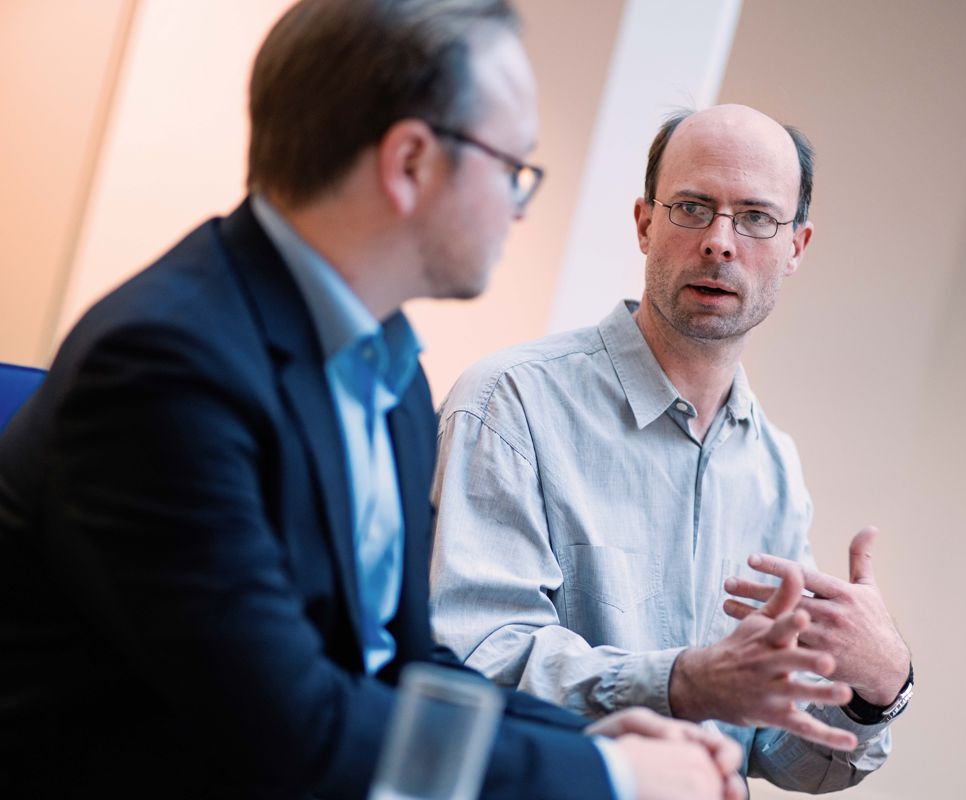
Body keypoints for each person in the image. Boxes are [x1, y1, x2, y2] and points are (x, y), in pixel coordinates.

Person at [0, 2, 748, 798]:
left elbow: (401, 664)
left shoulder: (386, 371)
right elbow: (294, 732)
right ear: (410, 164)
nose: (518, 207)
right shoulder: (165, 369)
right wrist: (610, 777)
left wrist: (591, 735)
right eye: (512, 169)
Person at [430, 104, 914, 791]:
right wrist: (682, 683)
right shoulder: (509, 404)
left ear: (797, 247)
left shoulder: (774, 470)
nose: (720, 241)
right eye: (692, 207)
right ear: (644, 223)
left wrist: (878, 684)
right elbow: (470, 662)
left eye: (755, 217)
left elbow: (787, 751)